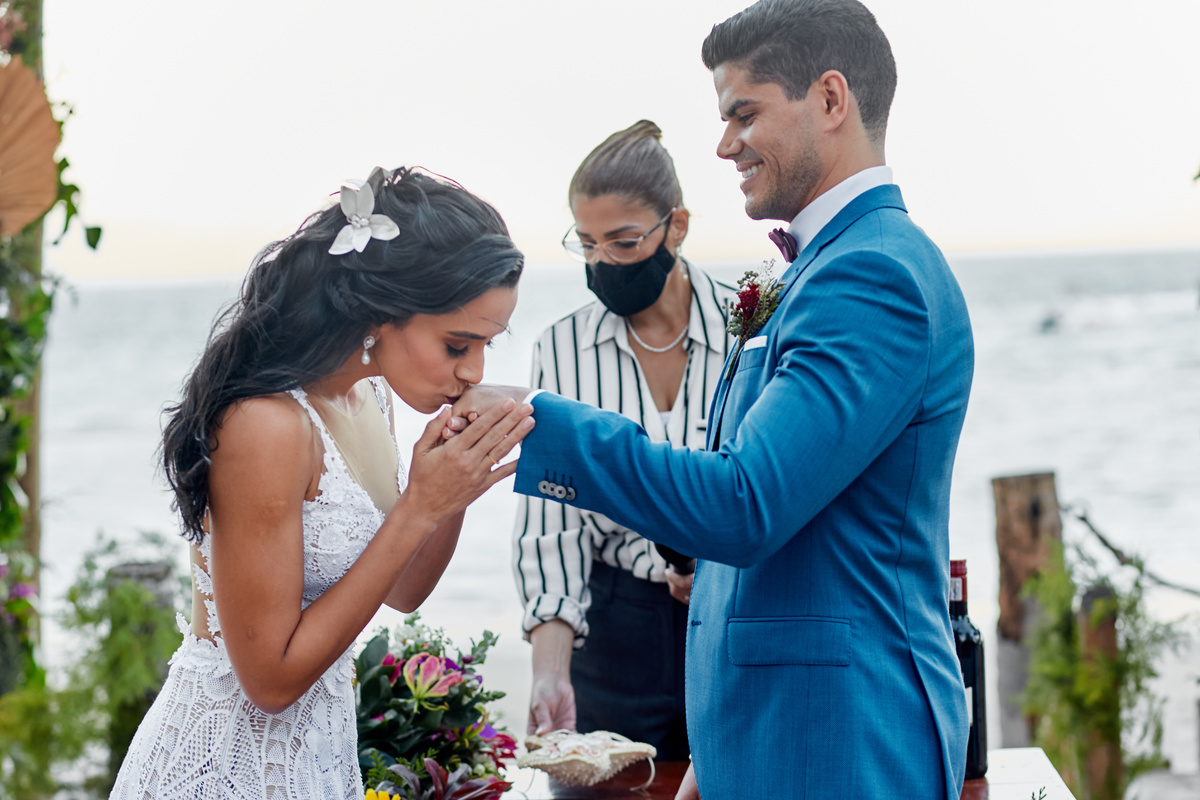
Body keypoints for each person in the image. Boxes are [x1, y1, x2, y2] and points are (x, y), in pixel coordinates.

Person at [451, 1, 974, 797]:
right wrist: (715, 751)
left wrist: (538, 418)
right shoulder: (817, 270)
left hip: (836, 739)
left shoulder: (873, 278)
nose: (725, 143)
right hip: (766, 734)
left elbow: (744, 503)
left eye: (744, 113)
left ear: (831, 100)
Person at [110, 167, 534, 800]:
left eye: (485, 349)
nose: (472, 371)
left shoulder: (370, 399)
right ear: (381, 312)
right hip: (219, 770)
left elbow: (406, 589)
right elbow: (271, 682)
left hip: (319, 763)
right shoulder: (267, 424)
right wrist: (420, 506)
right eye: (456, 345)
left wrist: (451, 485)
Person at [514, 120, 735, 760]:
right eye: (585, 244)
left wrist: (721, 564)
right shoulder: (559, 348)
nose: (602, 263)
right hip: (617, 636)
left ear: (677, 226)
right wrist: (550, 672)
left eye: (622, 241)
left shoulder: (753, 329)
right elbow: (551, 524)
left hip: (736, 622)